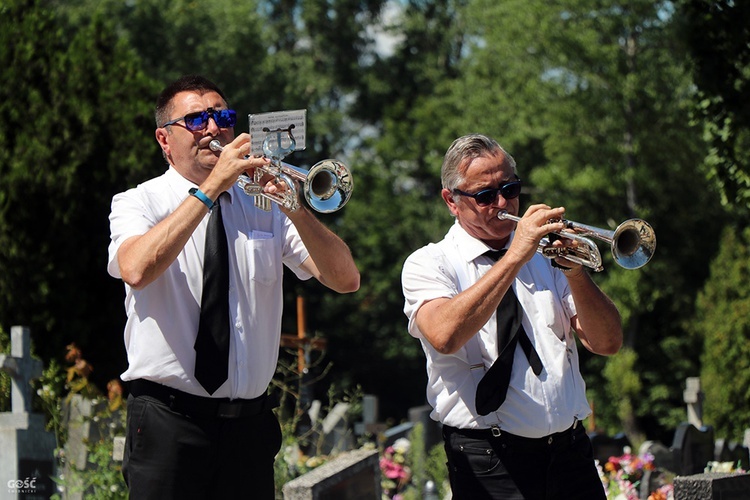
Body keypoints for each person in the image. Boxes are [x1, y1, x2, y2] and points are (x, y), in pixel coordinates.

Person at [107, 75, 360, 499]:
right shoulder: (138, 201)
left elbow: (345, 279)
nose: (213, 129)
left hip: (248, 429)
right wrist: (210, 189)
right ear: (164, 140)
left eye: (222, 116)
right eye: (195, 120)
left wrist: (294, 208)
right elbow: (136, 268)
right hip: (168, 422)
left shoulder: (266, 205)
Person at [401, 134, 622, 499]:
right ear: (451, 201)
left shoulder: (546, 256)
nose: (503, 203)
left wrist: (575, 272)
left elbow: (608, 342)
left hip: (569, 453)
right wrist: (515, 256)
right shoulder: (429, 263)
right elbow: (444, 335)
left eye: (511, 188)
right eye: (486, 196)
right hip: (488, 460)